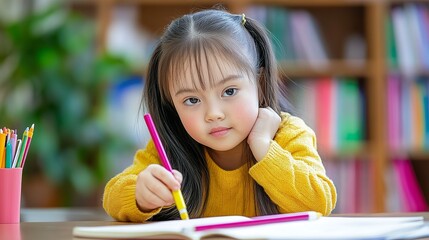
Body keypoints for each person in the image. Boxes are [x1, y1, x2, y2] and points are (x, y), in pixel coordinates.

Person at [103, 8, 337, 222]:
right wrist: (140, 196)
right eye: (192, 100)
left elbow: (319, 201)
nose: (213, 114)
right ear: (172, 106)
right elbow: (112, 197)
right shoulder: (169, 146)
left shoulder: (288, 135)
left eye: (229, 91)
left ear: (261, 83)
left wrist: (264, 148)